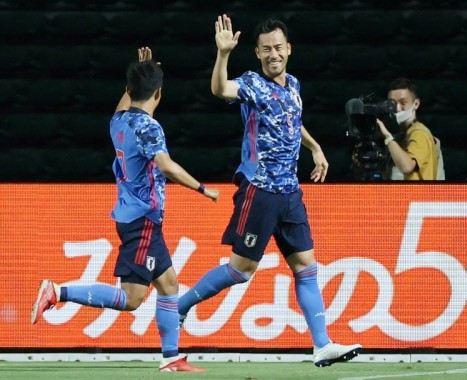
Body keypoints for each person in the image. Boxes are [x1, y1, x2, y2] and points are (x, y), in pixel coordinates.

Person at [178, 15, 362, 368]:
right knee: (240, 270)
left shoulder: (293, 84)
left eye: (278, 47)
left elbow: (291, 118)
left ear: (288, 49)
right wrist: (222, 55)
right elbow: (220, 90)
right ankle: (180, 307)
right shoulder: (251, 84)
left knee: (306, 268)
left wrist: (315, 147)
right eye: (266, 50)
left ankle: (322, 345)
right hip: (259, 190)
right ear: (258, 53)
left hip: (290, 193)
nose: (273, 54)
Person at [31, 47, 219, 372]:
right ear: (158, 92)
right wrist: (202, 189)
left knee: (169, 285)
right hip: (142, 220)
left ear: (130, 90)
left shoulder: (119, 121)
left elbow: (126, 102)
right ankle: (57, 291)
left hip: (135, 218)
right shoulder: (150, 128)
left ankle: (171, 357)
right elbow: (167, 165)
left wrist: (141, 72)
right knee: (131, 300)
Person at [377, 77, 444, 180]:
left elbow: (407, 166)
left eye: (403, 103)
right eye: (393, 104)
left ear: (416, 104)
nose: (397, 108)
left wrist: (387, 136)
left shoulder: (419, 133)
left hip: (417, 195)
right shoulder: (401, 136)